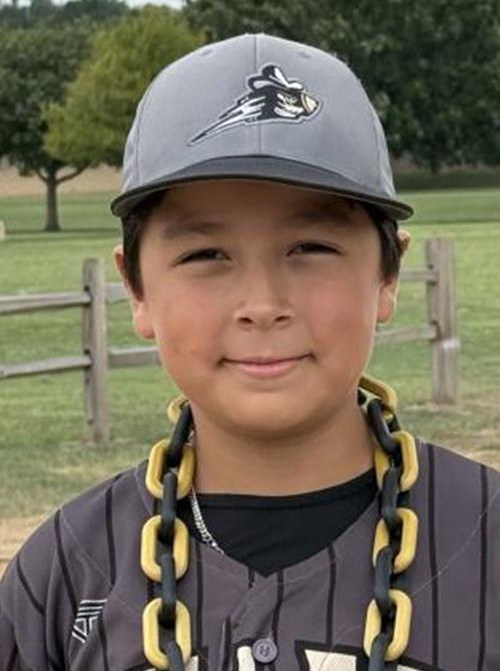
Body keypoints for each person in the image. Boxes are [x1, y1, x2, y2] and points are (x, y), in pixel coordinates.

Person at [1, 33, 499, 671]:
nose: (262, 304)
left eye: (311, 248)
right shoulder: (66, 575)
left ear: (387, 274)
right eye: (206, 254)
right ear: (137, 288)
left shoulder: (486, 541)